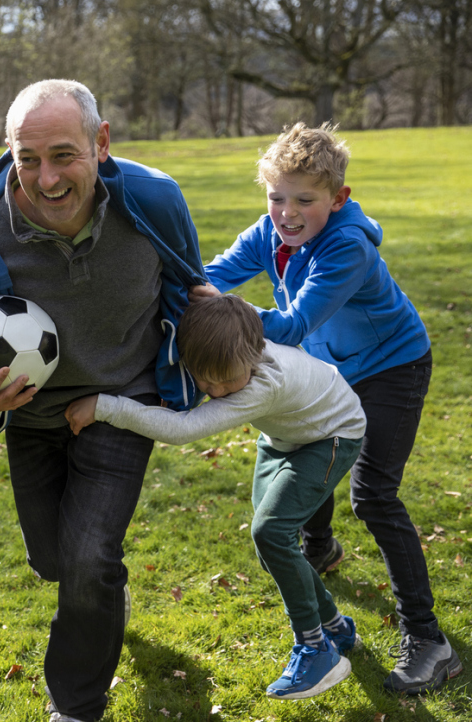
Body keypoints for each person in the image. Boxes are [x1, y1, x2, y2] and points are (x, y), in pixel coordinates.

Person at [0, 79, 208, 722]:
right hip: (32, 413)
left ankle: (75, 705)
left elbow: (192, 286)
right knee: (57, 561)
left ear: (101, 143)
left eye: (62, 155)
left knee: (88, 557)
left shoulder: (154, 201)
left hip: (121, 402)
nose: (44, 178)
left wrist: (218, 339)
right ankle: (104, 594)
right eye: (27, 158)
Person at [190, 122, 463, 694]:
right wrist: (183, 297)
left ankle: (429, 640)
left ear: (337, 199)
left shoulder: (347, 246)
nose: (286, 213)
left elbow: (290, 325)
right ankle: (320, 548)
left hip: (392, 367)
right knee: (304, 448)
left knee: (374, 495)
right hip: (330, 369)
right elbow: (209, 278)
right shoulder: (269, 232)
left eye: (304, 200)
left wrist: (224, 308)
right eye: (275, 197)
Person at [66, 294, 366, 700]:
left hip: (333, 434)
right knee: (271, 547)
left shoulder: (264, 384)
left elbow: (182, 430)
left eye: (227, 380)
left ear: (255, 353)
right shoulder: (237, 343)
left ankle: (315, 649)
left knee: (271, 534)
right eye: (206, 380)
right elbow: (223, 316)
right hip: (284, 436)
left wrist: (106, 406)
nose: (217, 390)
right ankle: (335, 627)